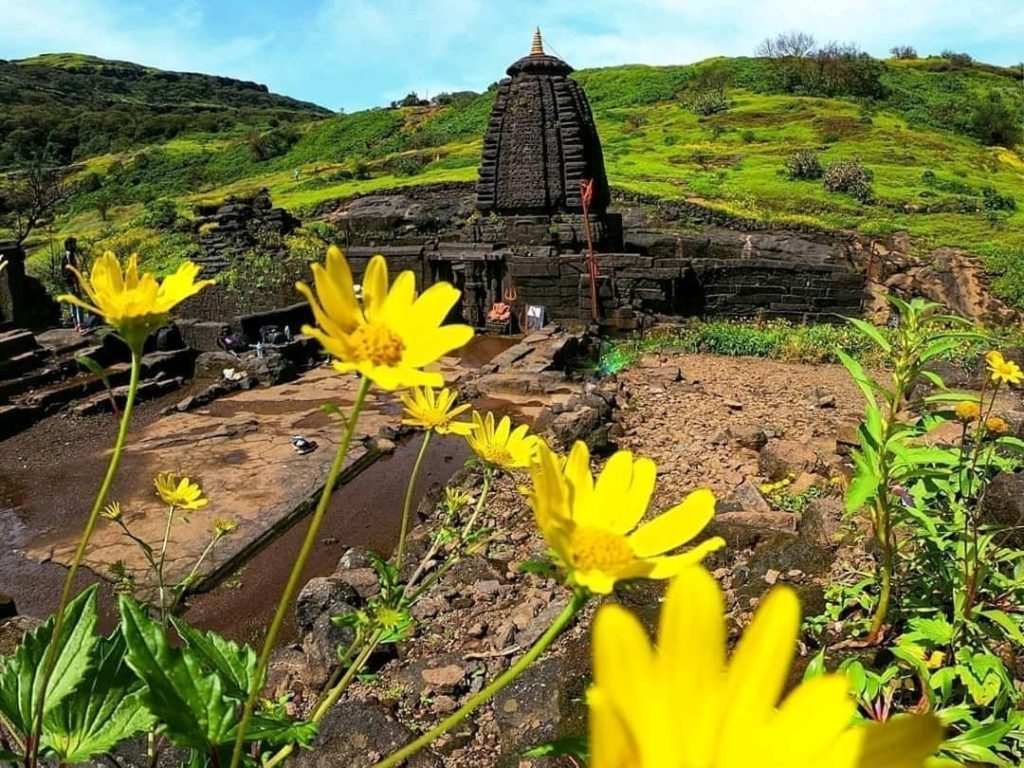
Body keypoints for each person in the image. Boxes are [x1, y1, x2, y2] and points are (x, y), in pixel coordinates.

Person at [62, 237, 85, 332]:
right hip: (72, 282)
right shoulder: (70, 255)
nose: (75, 246)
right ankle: (80, 325)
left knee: (72, 304)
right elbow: (71, 271)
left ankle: (76, 325)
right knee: (78, 303)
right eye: (73, 244)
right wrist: (76, 284)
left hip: (67, 283)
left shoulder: (65, 256)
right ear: (69, 245)